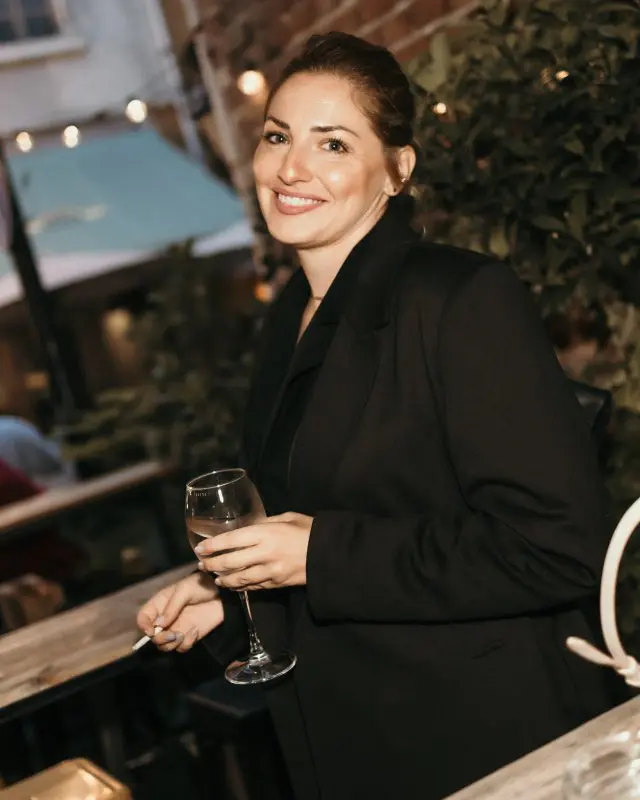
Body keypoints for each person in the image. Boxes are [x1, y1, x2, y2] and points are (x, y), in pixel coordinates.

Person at [138, 32, 618, 799]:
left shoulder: (460, 299)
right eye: (277, 137)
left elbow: (556, 547)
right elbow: (318, 504)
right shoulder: (291, 312)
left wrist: (318, 556)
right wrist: (232, 595)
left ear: (397, 169)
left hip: (483, 741)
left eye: (333, 143)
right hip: (351, 740)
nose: (291, 168)